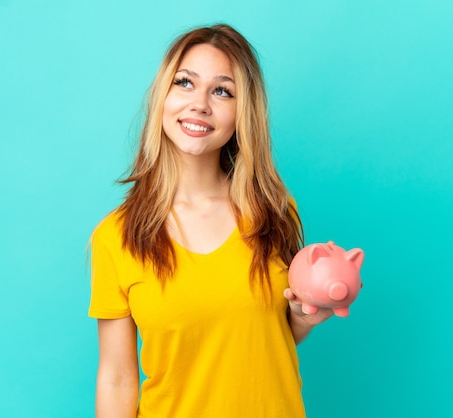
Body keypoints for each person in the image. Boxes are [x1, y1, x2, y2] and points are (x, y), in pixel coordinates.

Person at [88, 23, 333, 418]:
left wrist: (304, 318)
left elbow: (264, 339)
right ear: (162, 96)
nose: (199, 103)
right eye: (185, 83)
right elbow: (117, 378)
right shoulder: (115, 237)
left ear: (243, 112)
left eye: (222, 90)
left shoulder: (276, 211)